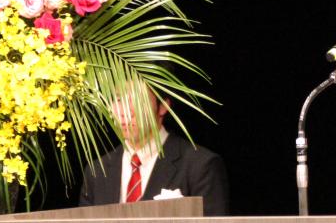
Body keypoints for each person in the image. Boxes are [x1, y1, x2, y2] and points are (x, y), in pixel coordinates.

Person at [79, 86, 229, 216]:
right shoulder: (97, 171)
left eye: (136, 99)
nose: (124, 111)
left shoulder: (200, 166)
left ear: (163, 105)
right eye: (118, 99)